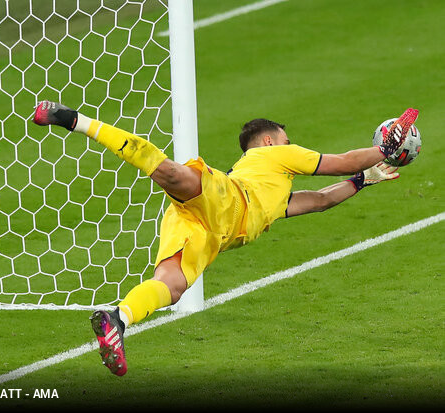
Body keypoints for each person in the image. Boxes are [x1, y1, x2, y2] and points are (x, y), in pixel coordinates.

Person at [32, 101, 418, 376]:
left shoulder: (276, 189)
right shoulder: (274, 157)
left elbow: (319, 201)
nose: (289, 145)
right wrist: (383, 149)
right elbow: (341, 160)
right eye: (285, 140)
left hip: (207, 230)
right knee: (168, 171)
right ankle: (73, 120)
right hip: (227, 198)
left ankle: (117, 319)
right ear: (269, 142)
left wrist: (365, 179)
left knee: (172, 286)